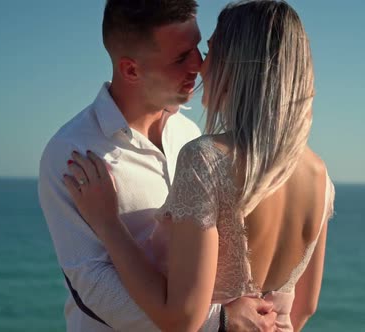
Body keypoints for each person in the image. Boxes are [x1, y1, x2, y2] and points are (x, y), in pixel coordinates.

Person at [64, 0, 335, 331]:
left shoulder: (206, 159)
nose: (200, 67)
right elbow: (305, 306)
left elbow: (182, 319)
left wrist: (108, 224)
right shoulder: (320, 176)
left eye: (211, 52)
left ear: (237, 65)